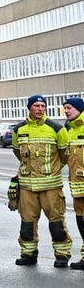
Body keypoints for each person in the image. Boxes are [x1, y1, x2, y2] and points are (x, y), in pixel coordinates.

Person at [13, 94, 72, 267]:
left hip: (51, 186)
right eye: (36, 106)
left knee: (56, 222)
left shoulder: (56, 129)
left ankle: (62, 255)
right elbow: (18, 153)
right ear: (29, 108)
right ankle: (28, 254)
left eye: (42, 106)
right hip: (27, 187)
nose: (40, 109)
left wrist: (51, 170)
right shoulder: (19, 130)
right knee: (27, 223)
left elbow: (64, 156)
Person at [64, 96, 84, 270]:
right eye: (65, 108)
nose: (66, 110)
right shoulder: (69, 130)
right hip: (78, 187)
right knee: (81, 221)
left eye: (69, 107)